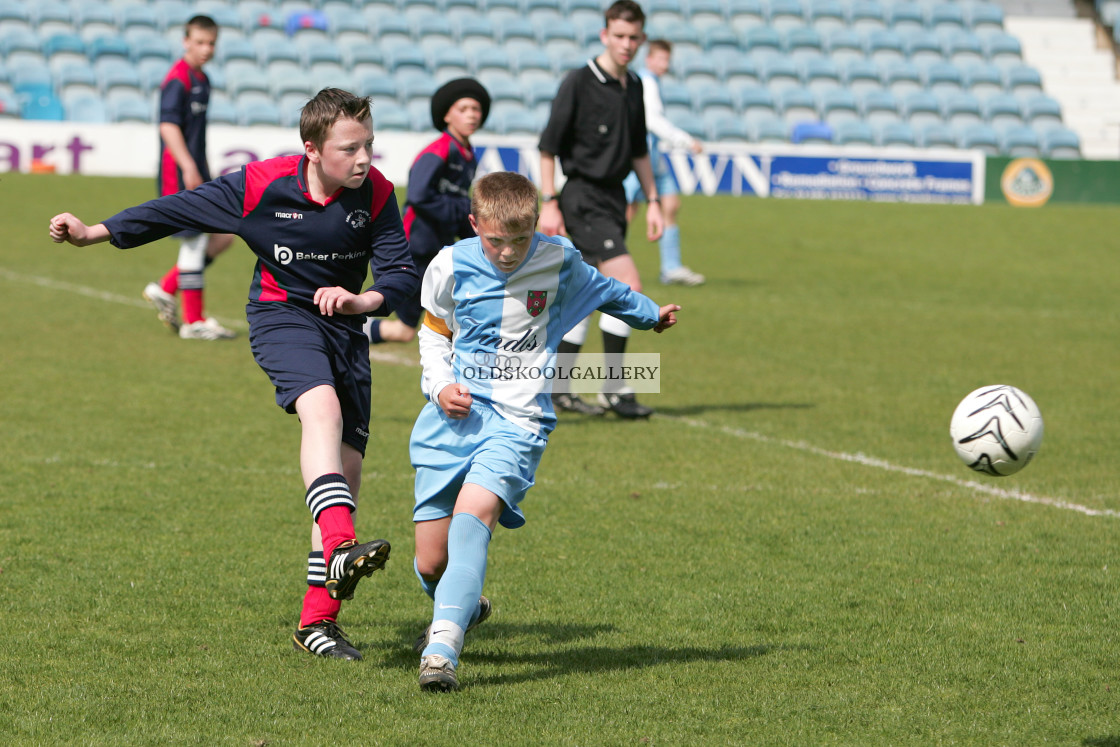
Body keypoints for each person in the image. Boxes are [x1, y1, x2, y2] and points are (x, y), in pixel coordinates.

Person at [49, 88, 421, 661]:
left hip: (346, 331)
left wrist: (363, 301)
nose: (365, 157)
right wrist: (94, 232)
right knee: (318, 410)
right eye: (351, 148)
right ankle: (343, 546)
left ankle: (315, 624)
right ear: (312, 150)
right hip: (281, 317)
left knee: (347, 473)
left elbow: (399, 272)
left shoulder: (374, 193)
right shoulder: (260, 184)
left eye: (369, 143)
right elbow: (175, 208)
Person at [408, 171, 679, 692]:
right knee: (430, 561)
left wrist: (650, 316)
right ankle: (462, 605)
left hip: (518, 420)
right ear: (474, 225)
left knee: (473, 520)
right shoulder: (449, 264)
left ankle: (441, 652)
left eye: (519, 240)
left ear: (535, 225)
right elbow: (434, 332)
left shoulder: (558, 259)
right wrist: (441, 386)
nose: (508, 252)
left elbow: (607, 290)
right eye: (495, 241)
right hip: (452, 421)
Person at [538, 0, 665, 419]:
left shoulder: (636, 87)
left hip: (614, 199)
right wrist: (550, 201)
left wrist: (653, 202)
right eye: (620, 36)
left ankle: (559, 388)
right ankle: (614, 387)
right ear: (605, 35)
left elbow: (640, 151)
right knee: (627, 282)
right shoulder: (579, 81)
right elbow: (548, 147)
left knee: (585, 291)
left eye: (634, 37)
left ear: (642, 39)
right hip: (582, 197)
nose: (627, 44)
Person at [365, 78, 490, 346]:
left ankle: (349, 328)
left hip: (439, 250)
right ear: (447, 115)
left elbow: (458, 206)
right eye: (463, 108)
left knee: (409, 330)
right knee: (409, 327)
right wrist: (461, 211)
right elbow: (418, 195)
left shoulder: (468, 154)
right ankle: (345, 327)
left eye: (476, 109)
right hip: (416, 249)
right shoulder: (439, 150)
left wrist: (478, 236)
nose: (471, 114)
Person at [140, 14, 238, 340]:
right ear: (185, 42)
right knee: (196, 240)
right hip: (179, 171)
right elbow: (167, 126)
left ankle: (165, 287)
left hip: (196, 170)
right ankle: (194, 321)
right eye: (199, 42)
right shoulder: (177, 80)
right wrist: (188, 166)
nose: (206, 48)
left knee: (223, 234)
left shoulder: (203, 79)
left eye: (211, 43)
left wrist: (201, 168)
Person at [623, 38, 706, 287]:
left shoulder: (652, 81)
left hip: (653, 156)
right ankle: (599, 259)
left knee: (670, 204)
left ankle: (671, 268)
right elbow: (652, 121)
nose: (664, 64)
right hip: (639, 157)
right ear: (649, 59)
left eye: (667, 60)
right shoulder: (645, 81)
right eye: (660, 59)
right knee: (626, 211)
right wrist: (685, 141)